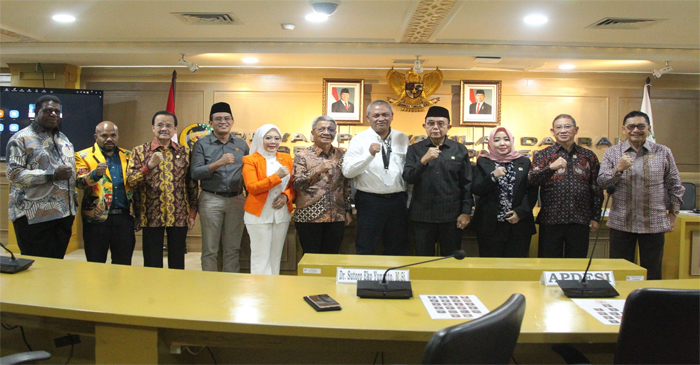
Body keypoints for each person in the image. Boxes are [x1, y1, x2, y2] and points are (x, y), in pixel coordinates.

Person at [598, 111, 684, 280]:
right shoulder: (612, 153)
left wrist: (673, 215)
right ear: (624, 129)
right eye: (631, 127)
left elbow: (675, 185)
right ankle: (621, 305)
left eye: (641, 126)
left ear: (649, 129)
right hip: (621, 222)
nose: (636, 130)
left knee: (652, 271)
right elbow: (601, 182)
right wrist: (618, 169)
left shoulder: (663, 152)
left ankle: (650, 306)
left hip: (654, 222)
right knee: (620, 273)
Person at [6, 95, 77, 259]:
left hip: (63, 215)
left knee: (56, 265)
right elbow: (14, 174)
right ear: (36, 112)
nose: (53, 114)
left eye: (57, 111)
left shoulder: (63, 139)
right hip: (33, 217)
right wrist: (51, 175)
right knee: (36, 265)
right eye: (48, 111)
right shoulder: (20, 138)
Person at [126, 111, 198, 270]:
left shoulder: (185, 152)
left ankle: (174, 292)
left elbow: (191, 185)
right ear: (153, 128)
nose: (164, 128)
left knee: (177, 260)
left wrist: (192, 212)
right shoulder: (139, 151)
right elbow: (131, 181)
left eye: (168, 125)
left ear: (174, 129)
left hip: (179, 214)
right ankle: (153, 292)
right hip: (150, 214)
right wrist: (148, 166)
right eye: (160, 125)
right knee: (152, 262)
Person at [529, 114, 604, 258]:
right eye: (559, 127)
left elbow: (596, 188)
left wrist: (595, 217)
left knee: (576, 265)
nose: (563, 130)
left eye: (567, 126)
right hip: (551, 220)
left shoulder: (588, 156)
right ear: (552, 131)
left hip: (580, 219)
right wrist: (550, 168)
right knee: (548, 264)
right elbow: (532, 180)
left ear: (576, 130)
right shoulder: (543, 155)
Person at [341, 100, 410, 255]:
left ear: (392, 116)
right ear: (368, 118)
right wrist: (369, 155)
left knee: (397, 246)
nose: (381, 118)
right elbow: (347, 172)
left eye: (385, 114)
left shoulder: (402, 138)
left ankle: (393, 279)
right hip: (370, 201)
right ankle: (365, 279)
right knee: (366, 245)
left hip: (398, 200)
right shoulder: (359, 139)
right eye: (376, 115)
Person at [403, 106, 473, 256]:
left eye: (440, 124)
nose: (435, 127)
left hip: (451, 217)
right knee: (422, 260)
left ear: (448, 127)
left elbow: (466, 184)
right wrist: (423, 160)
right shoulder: (415, 150)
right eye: (431, 123)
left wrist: (466, 212)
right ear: (424, 126)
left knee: (450, 260)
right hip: (421, 217)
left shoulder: (459, 150)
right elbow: (408, 177)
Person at [191, 102, 249, 273]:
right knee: (210, 248)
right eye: (218, 119)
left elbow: (248, 173)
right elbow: (195, 173)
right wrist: (218, 163)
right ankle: (209, 287)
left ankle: (230, 285)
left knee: (233, 248)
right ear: (211, 123)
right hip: (211, 199)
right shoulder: (201, 144)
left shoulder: (242, 145)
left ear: (232, 121)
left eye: (226, 118)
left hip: (237, 199)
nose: (222, 121)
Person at [75, 121, 135, 265]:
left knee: (123, 263)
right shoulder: (83, 155)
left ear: (118, 136)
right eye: (104, 135)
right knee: (95, 263)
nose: (109, 139)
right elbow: (78, 182)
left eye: (113, 135)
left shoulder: (129, 155)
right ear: (96, 137)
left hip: (124, 218)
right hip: (96, 219)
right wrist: (95, 174)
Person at [472, 127, 537, 257]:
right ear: (491, 142)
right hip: (490, 225)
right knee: (490, 267)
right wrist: (492, 177)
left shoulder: (524, 161)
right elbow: (477, 189)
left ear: (511, 141)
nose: (502, 143)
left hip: (519, 225)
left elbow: (531, 190)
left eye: (506, 139)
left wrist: (520, 212)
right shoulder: (483, 161)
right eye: (497, 140)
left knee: (517, 268)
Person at [293, 116, 352, 255]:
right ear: (313, 133)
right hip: (309, 217)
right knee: (311, 259)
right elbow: (297, 184)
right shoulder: (303, 156)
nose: (327, 132)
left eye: (331, 129)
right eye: (322, 129)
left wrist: (348, 210)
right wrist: (316, 170)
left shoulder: (342, 154)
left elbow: (346, 184)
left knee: (331, 259)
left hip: (336, 216)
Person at [242, 124, 295, 275]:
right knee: (260, 258)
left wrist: (286, 196)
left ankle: (273, 293)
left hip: (281, 214)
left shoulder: (285, 158)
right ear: (260, 139)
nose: (273, 142)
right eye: (268, 138)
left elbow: (294, 186)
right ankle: (259, 295)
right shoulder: (250, 160)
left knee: (275, 258)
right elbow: (252, 187)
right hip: (259, 215)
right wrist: (277, 176)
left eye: (277, 138)